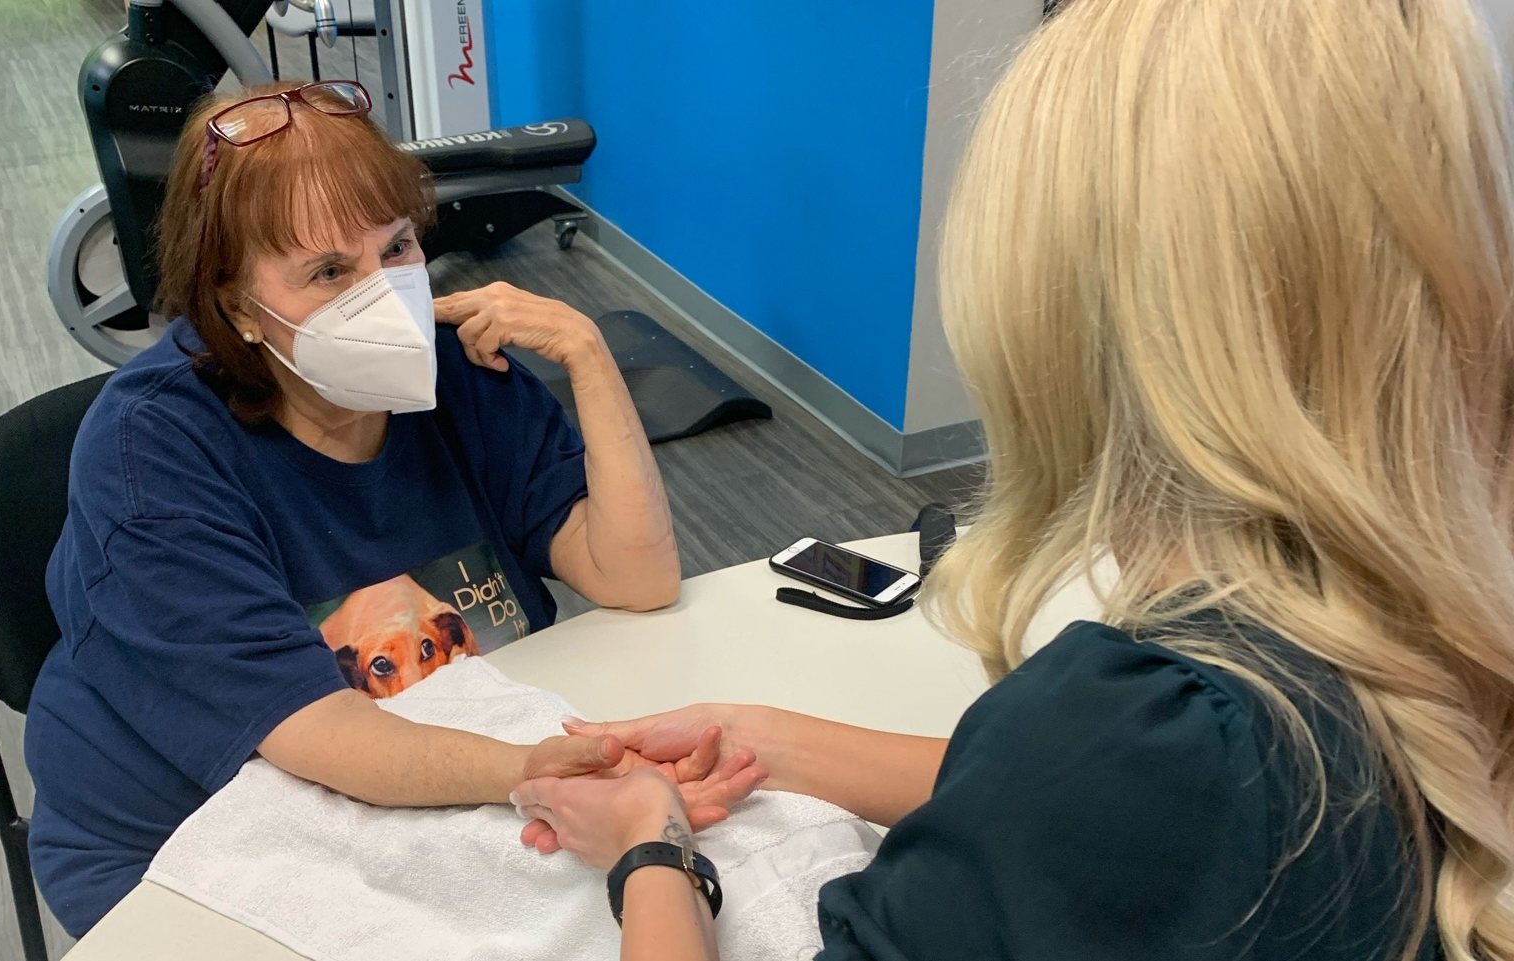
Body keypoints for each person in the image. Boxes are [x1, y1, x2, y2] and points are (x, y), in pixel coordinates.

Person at [509, 0, 1514, 959]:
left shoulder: (1138, 736)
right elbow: (1096, 816)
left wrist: (651, 849)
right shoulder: (1411, 644)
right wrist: (756, 735)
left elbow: (1096, 798)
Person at [22, 80, 761, 936]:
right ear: (236, 307)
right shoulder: (152, 455)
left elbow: (634, 573)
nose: (385, 296)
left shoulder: (457, 373)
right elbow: (321, 733)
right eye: (330, 271)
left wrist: (587, 355)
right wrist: (543, 770)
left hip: (443, 770)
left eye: (398, 247)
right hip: (187, 841)